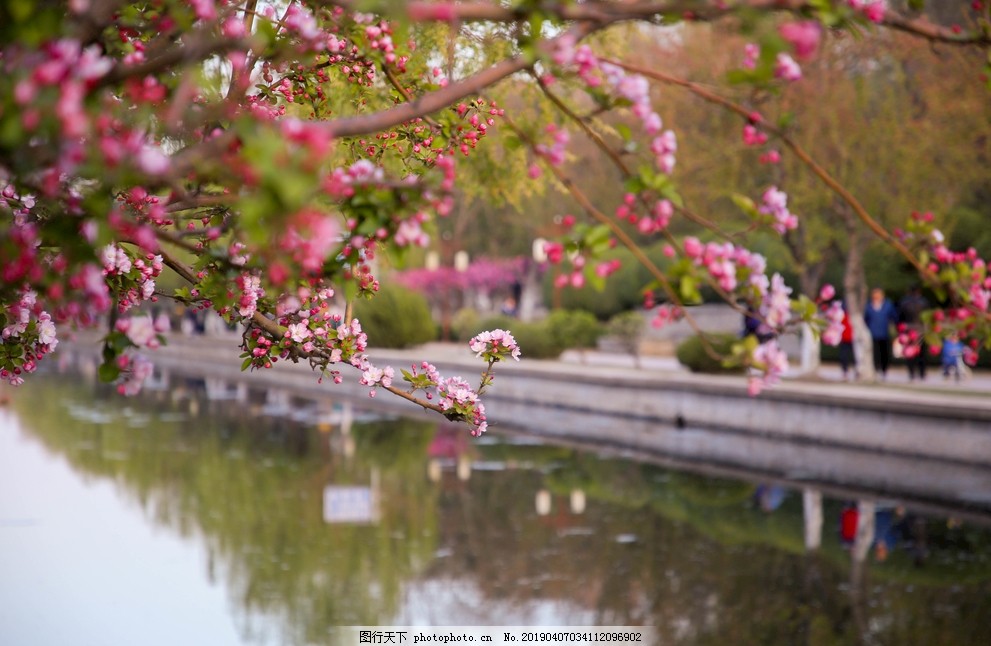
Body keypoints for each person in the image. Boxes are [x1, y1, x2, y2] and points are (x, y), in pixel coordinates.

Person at [863, 287, 898, 380]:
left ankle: (884, 370)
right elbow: (865, 319)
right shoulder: (868, 306)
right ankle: (876, 369)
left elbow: (894, 317)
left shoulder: (888, 305)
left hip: (884, 333)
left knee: (885, 353)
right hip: (872, 333)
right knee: (875, 353)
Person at [898, 285, 930, 381]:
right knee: (922, 353)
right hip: (921, 329)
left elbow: (900, 317)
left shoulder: (904, 302)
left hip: (908, 329)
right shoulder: (924, 302)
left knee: (909, 353)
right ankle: (922, 373)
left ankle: (911, 373)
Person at [838, 303, 858, 381]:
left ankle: (857, 371)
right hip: (844, 339)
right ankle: (845, 372)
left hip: (854, 339)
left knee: (855, 357)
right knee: (844, 356)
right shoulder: (842, 315)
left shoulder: (856, 315)